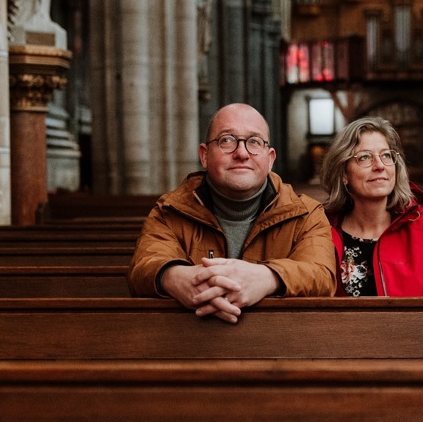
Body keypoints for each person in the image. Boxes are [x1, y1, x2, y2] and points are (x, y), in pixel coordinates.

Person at [128, 103, 336, 322]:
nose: (241, 153)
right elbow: (143, 266)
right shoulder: (169, 211)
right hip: (191, 346)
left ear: (270, 159)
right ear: (204, 155)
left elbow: (322, 275)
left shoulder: (306, 214)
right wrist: (173, 276)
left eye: (254, 141)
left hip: (278, 344)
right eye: (227, 140)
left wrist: (268, 278)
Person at [320, 116, 423, 297]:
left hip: (417, 326)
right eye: (365, 157)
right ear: (343, 174)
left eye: (386, 155)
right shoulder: (322, 230)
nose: (380, 165)